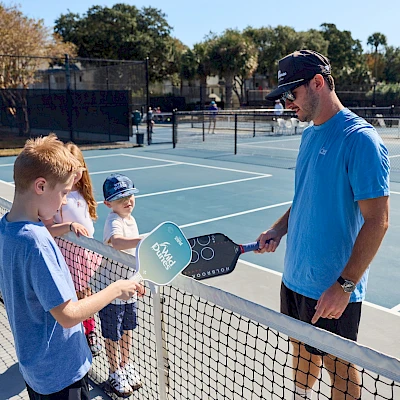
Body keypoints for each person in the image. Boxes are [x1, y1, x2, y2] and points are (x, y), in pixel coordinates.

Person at [256, 50, 390, 400]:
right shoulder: (309, 135)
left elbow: (378, 221)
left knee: (341, 369)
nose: (286, 104)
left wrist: (344, 285)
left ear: (318, 83)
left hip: (333, 288)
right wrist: (277, 230)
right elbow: (304, 198)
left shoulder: (360, 140)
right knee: (300, 351)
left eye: (291, 94)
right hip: (295, 277)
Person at [0, 134, 144, 400]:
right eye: (64, 193)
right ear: (40, 186)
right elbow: (68, 315)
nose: (65, 202)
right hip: (61, 374)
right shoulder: (37, 243)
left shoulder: (5, 227)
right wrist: (116, 289)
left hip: (35, 369)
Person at [43, 143, 102, 357]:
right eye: (70, 169)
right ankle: (79, 333)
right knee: (72, 296)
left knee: (86, 293)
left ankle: (89, 331)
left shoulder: (83, 192)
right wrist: (69, 227)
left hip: (86, 253)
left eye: (78, 169)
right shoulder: (58, 195)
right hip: (67, 253)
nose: (75, 174)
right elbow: (48, 229)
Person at [100, 173, 143, 396]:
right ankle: (114, 371)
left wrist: (140, 279)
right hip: (112, 290)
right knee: (112, 334)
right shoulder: (113, 221)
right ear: (108, 203)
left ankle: (126, 365)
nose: (127, 201)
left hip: (130, 289)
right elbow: (117, 243)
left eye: (129, 195)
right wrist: (143, 240)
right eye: (120, 198)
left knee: (128, 330)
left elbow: (134, 256)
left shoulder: (131, 220)